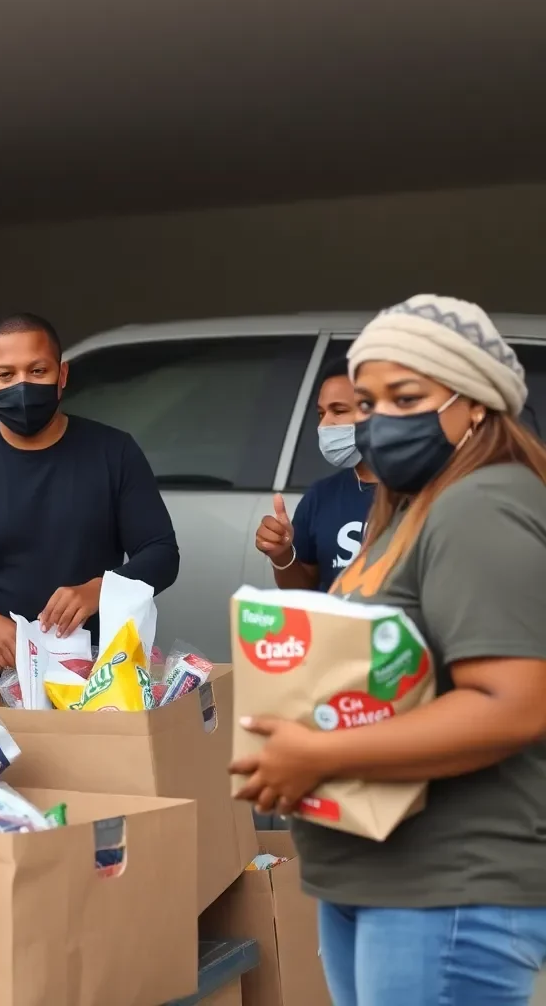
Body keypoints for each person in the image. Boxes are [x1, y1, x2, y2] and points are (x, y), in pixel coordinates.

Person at [230, 295, 546, 1005]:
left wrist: (319, 755)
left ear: (475, 404)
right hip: (380, 872)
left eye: (406, 397)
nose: (377, 421)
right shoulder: (409, 508)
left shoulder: (482, 505)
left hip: (448, 887)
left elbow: (516, 705)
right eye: (366, 401)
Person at [0, 312, 180, 684]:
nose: (22, 386)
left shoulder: (114, 453)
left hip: (99, 676)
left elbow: (161, 554)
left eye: (37, 371)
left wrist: (101, 590)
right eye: (6, 375)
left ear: (62, 375)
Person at [255, 357, 377, 591]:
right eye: (321, 414)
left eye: (339, 410)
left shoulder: (425, 494)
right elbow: (303, 591)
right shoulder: (321, 496)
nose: (325, 425)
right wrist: (282, 555)